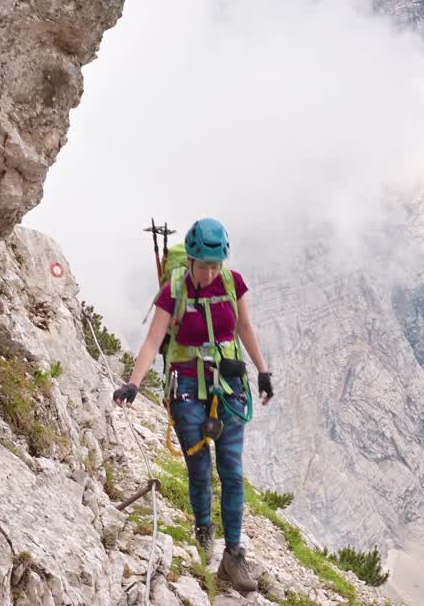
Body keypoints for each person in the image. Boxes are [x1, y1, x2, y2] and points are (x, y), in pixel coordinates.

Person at [113, 217, 274, 593]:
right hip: (185, 384)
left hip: (229, 384)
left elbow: (245, 328)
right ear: (192, 261)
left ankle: (233, 556)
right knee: (199, 466)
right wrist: (133, 385)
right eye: (204, 265)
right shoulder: (174, 290)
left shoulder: (234, 283)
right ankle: (204, 530)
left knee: (232, 471)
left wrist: (263, 371)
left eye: (216, 265)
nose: (210, 272)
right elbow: (154, 340)